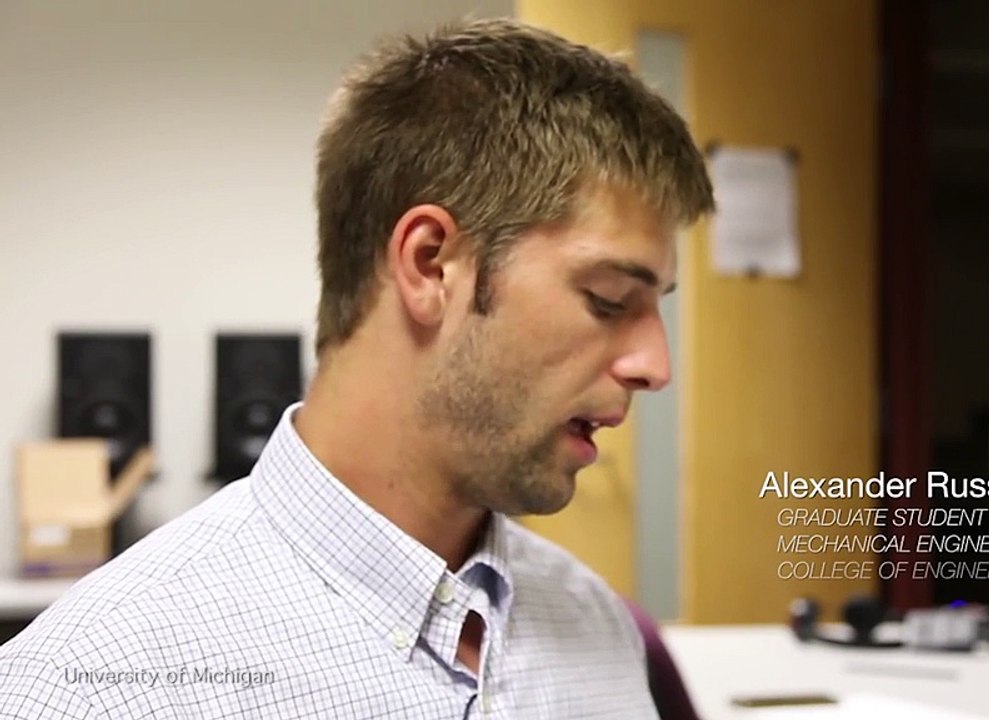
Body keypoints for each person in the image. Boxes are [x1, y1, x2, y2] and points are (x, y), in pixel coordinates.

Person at [0, 17, 714, 719]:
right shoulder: (87, 689)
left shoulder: (603, 632)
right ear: (431, 264)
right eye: (609, 299)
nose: (655, 366)